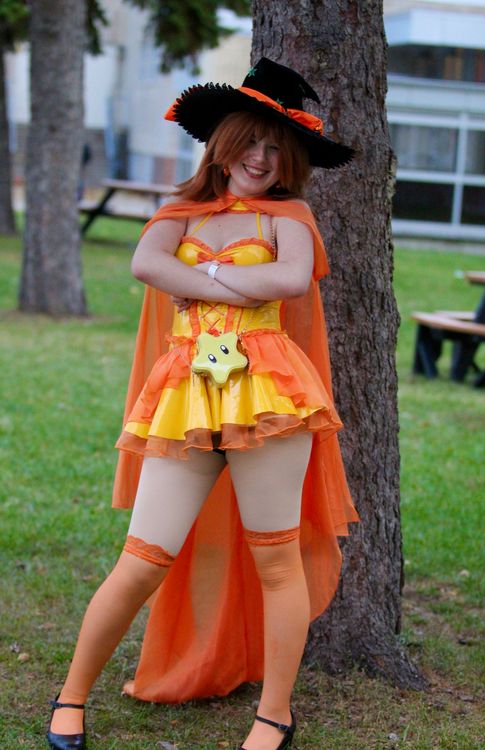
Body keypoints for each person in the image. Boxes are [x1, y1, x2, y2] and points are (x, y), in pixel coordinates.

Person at [47, 57, 359, 750]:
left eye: (276, 147)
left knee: (276, 561)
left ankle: (274, 716)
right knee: (141, 559)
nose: (261, 158)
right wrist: (235, 279)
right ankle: (70, 697)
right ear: (222, 145)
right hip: (186, 395)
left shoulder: (290, 215)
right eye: (250, 141)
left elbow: (290, 280)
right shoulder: (179, 212)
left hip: (270, 395)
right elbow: (145, 263)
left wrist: (200, 275)